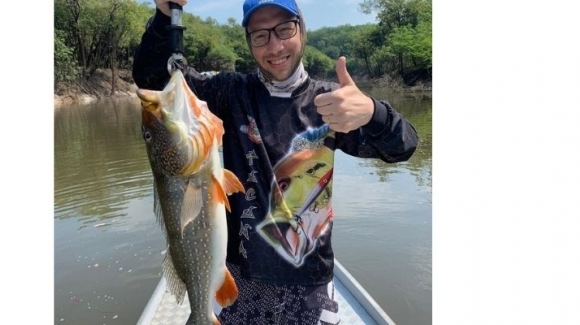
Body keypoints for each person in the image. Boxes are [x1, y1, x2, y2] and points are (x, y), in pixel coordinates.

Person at [133, 0, 418, 323]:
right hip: (241, 277)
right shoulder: (231, 93)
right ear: (249, 42)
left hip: (310, 281)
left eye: (284, 29)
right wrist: (165, 15)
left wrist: (372, 112)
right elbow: (153, 80)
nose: (275, 45)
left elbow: (403, 147)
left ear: (301, 29)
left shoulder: (331, 103)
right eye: (260, 36)